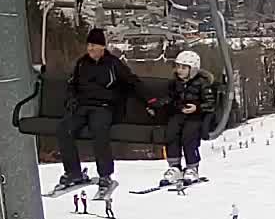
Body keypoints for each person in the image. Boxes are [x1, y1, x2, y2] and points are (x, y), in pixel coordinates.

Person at [51, 28, 145, 199]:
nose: (90, 49)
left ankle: (105, 175)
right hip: (82, 106)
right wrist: (71, 99)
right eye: (89, 45)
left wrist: (148, 101)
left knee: (98, 130)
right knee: (64, 129)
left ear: (102, 46)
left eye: (94, 45)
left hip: (104, 106)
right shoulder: (82, 63)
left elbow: (132, 82)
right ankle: (73, 172)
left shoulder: (113, 64)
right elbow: (72, 85)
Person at [156, 50, 219, 185]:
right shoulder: (175, 83)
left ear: (193, 69)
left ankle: (192, 167)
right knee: (171, 133)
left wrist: (198, 108)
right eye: (178, 67)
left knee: (189, 136)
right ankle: (175, 166)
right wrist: (167, 104)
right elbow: (171, 98)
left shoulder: (202, 83)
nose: (179, 70)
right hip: (180, 114)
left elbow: (210, 103)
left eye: (183, 68)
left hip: (196, 116)